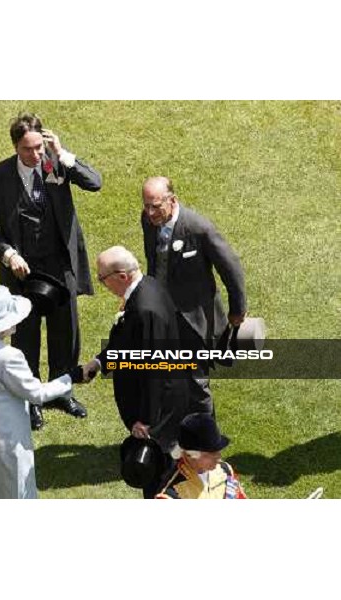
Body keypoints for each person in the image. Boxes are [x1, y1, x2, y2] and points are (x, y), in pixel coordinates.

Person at [0, 112, 102, 430]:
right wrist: (8, 254)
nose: (35, 155)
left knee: (66, 333)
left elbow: (95, 182)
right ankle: (31, 398)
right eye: (27, 150)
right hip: (23, 271)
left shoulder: (56, 163)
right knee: (26, 337)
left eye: (38, 147)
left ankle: (61, 391)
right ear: (15, 147)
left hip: (60, 266)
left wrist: (62, 154)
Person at [0, 285, 85, 499]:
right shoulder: (8, 357)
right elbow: (37, 394)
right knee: (13, 490)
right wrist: (71, 378)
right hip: (6, 439)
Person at [83, 246, 189, 498]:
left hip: (159, 414)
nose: (101, 284)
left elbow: (153, 369)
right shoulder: (148, 286)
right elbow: (130, 342)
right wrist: (99, 362)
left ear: (122, 276)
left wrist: (146, 420)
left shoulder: (144, 310)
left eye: (102, 278)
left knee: (158, 478)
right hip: (167, 401)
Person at [140, 176, 246, 414]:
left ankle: (207, 443)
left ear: (172, 200)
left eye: (155, 206)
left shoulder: (199, 228)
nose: (149, 212)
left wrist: (237, 309)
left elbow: (231, 268)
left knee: (196, 383)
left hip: (194, 319)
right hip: (162, 312)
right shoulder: (148, 221)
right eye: (146, 205)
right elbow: (153, 261)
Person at [155, 412, 247, 499]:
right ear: (190, 455)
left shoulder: (225, 470)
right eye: (211, 454)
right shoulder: (171, 494)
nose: (218, 458)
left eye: (218, 451)